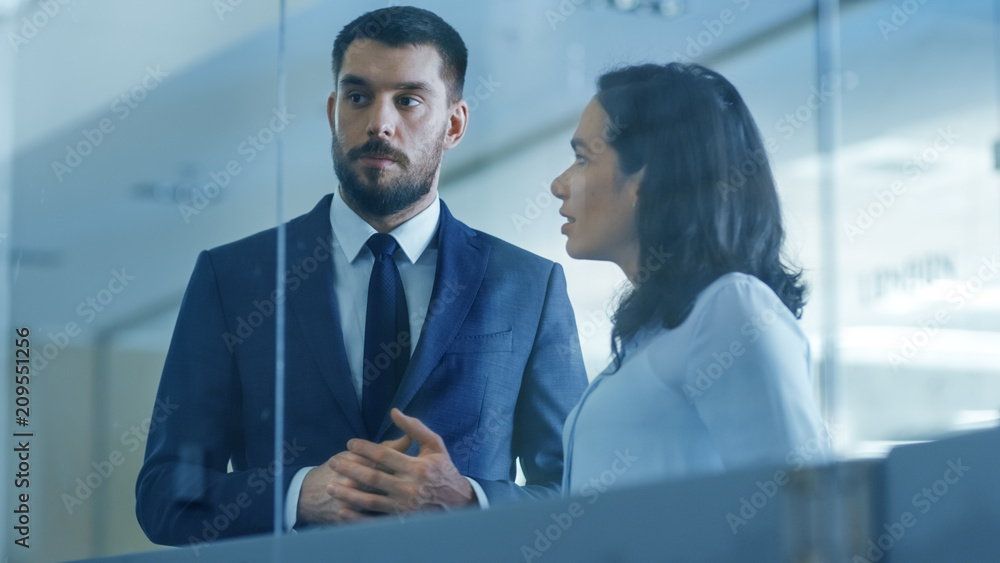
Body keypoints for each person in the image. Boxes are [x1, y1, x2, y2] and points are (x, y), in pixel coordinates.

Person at [136, 6, 587, 546]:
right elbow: (165, 495)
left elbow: (579, 495)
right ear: (333, 111)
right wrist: (297, 495)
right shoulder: (231, 278)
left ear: (456, 124)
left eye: (409, 100)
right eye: (358, 97)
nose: (379, 123)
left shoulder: (528, 286)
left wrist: (467, 501)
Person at [551, 63, 830, 497]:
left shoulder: (731, 308)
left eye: (583, 158)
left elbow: (805, 510)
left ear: (648, 176)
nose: (559, 185)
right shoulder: (655, 334)